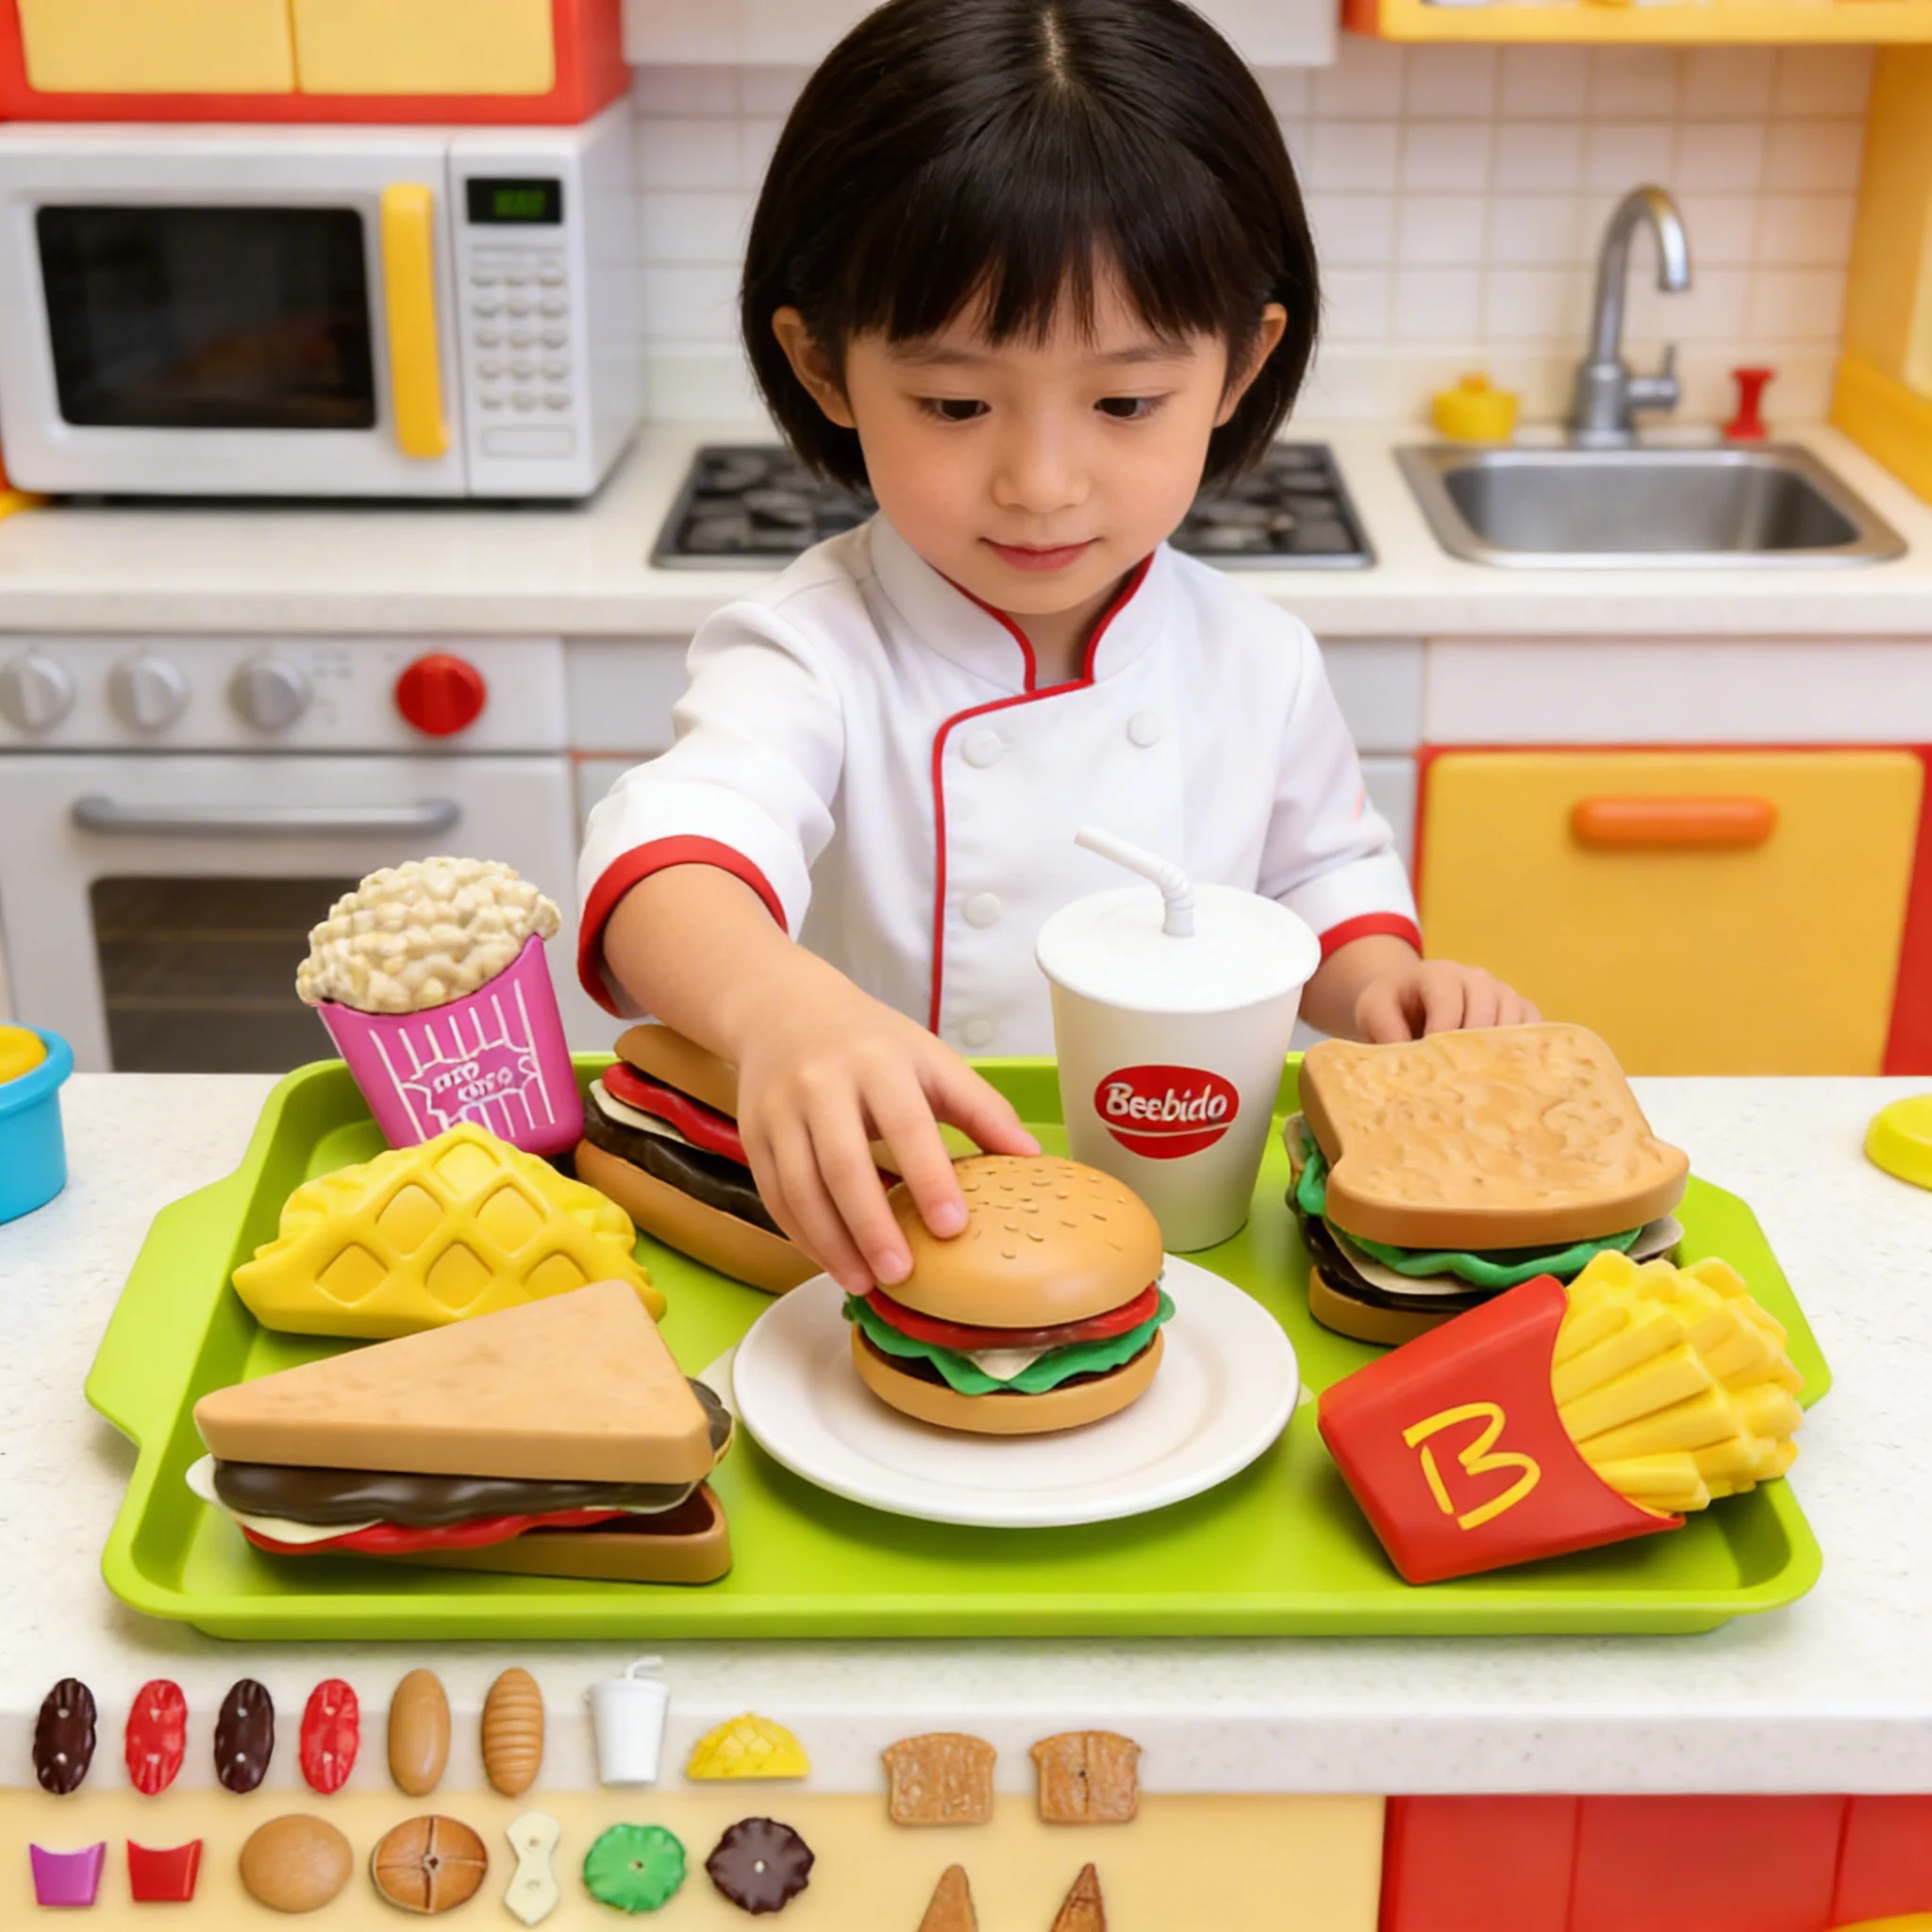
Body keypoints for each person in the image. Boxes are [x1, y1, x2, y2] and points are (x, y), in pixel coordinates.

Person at [580, 0, 1536, 1299]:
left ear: (1241, 367)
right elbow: (671, 863)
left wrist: (1391, 993)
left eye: (1126, 401)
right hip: (900, 1228)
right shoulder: (813, 650)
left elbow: (1318, 878)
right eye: (955, 402)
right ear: (823, 368)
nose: (1040, 482)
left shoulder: (1254, 654)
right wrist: (780, 1013)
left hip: (1197, 1212)